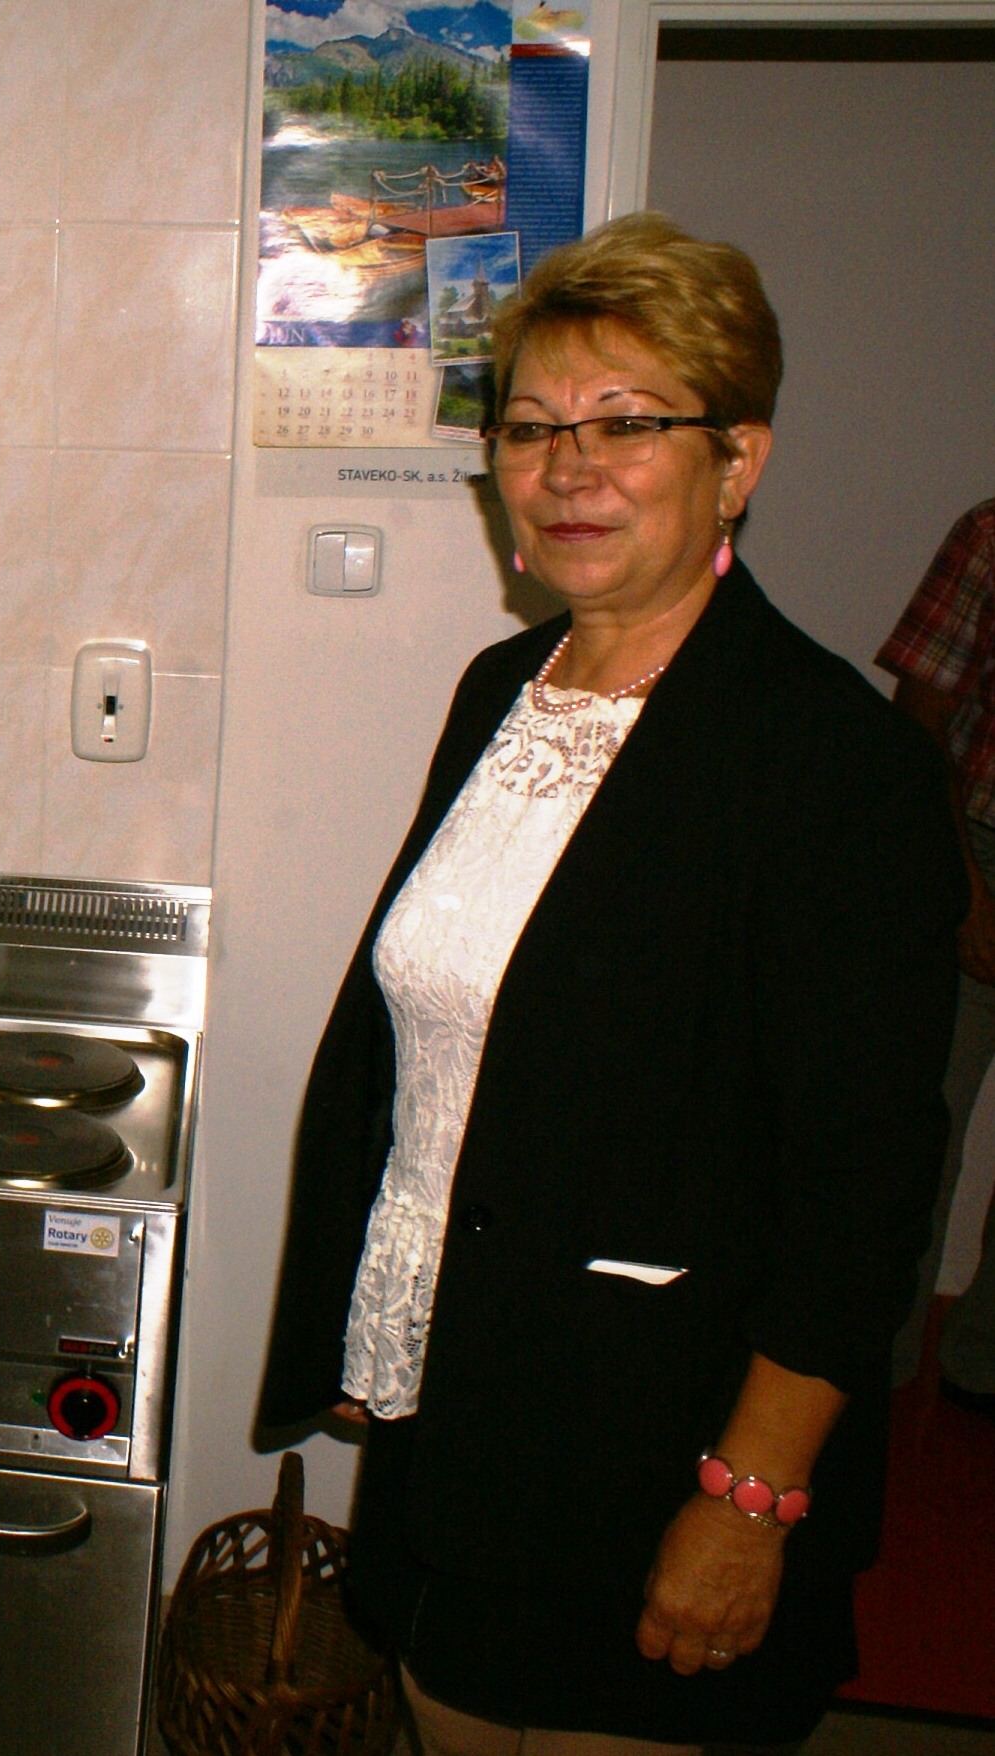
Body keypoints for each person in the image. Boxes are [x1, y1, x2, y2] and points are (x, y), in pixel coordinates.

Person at [259, 214, 963, 1755]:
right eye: (528, 428)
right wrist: (374, 1324)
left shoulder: (831, 764)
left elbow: (858, 1188)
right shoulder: (497, 694)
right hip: (462, 1411)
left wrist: (747, 1498)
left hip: (660, 1443)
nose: (566, 468)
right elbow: (438, 1051)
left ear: (735, 460)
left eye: (624, 424)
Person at [877, 496, 995, 1416]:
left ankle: (980, 1365)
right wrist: (961, 887)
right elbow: (918, 716)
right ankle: (862, 1374)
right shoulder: (990, 534)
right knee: (918, 1131)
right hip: (976, 851)